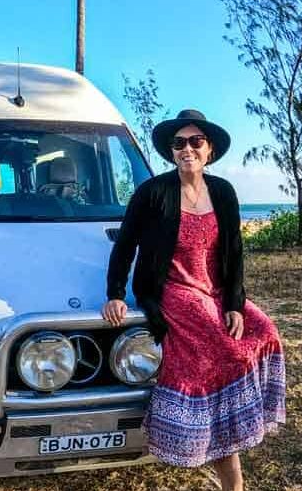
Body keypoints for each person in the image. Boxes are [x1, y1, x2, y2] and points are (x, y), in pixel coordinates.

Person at [102, 109, 285, 491]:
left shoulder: (223, 192)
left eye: (195, 141)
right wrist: (115, 294)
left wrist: (235, 303)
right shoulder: (153, 193)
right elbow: (125, 244)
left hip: (217, 289)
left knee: (265, 330)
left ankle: (238, 421)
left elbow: (234, 252)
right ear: (171, 151)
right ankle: (217, 441)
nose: (187, 149)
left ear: (210, 150)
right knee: (227, 349)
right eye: (179, 143)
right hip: (173, 289)